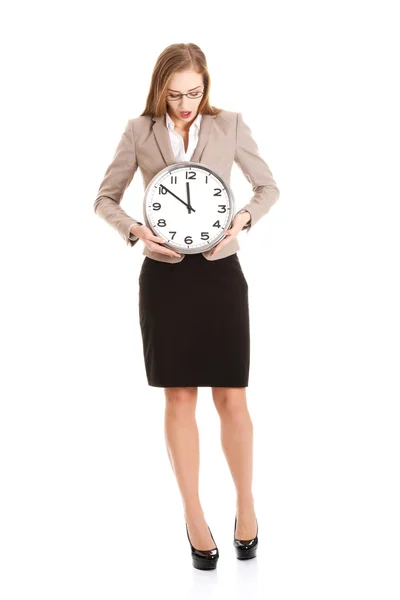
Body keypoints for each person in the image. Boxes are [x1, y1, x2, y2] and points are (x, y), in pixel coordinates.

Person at [94, 43, 280, 570]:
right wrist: (135, 231)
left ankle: (246, 507)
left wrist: (241, 221)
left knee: (232, 398)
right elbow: (105, 199)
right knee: (179, 398)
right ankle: (194, 516)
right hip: (166, 277)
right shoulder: (139, 131)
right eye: (174, 94)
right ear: (160, 89)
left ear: (206, 86)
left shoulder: (231, 126)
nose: (184, 104)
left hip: (221, 272)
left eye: (193, 93)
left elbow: (267, 187)